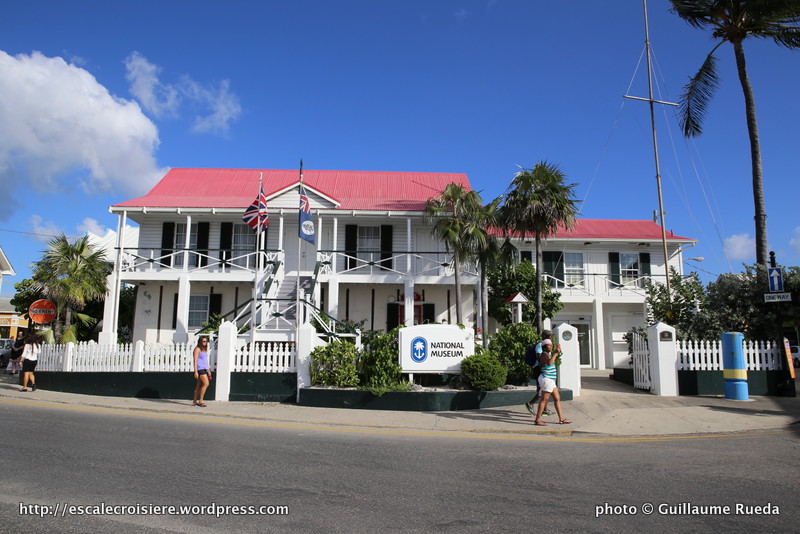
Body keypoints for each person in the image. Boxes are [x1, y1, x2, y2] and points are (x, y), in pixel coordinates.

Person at [533, 338, 571, 426]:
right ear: (544, 347)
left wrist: (556, 353)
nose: (551, 347)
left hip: (551, 380)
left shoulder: (548, 354)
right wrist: (556, 354)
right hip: (547, 380)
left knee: (557, 398)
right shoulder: (544, 355)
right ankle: (537, 420)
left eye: (551, 345)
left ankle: (561, 419)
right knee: (544, 400)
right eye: (549, 345)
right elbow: (550, 363)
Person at [524, 329, 554, 416]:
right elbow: (539, 357)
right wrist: (544, 366)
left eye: (550, 336)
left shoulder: (547, 345)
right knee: (542, 389)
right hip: (539, 369)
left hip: (544, 369)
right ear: (544, 336)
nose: (550, 337)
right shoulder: (540, 345)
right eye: (548, 336)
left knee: (545, 389)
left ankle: (544, 409)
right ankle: (531, 403)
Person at [192, 336, 212, 407]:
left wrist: (208, 369)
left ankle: (194, 401)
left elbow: (205, 360)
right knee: (206, 384)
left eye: (206, 341)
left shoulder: (204, 349)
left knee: (199, 385)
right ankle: (201, 400)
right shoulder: (197, 349)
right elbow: (195, 360)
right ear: (200, 341)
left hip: (204, 368)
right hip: (200, 369)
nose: (205, 343)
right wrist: (195, 371)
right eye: (204, 341)